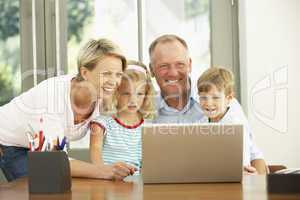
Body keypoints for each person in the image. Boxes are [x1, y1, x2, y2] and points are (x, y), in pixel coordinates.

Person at [0, 38, 127, 181]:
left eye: (118, 74)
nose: (114, 81)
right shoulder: (52, 96)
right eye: (106, 73)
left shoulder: (102, 98)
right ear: (84, 72)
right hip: (11, 143)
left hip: (41, 146)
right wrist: (104, 171)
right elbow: (54, 161)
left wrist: (103, 168)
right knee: (40, 190)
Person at [89, 60, 155, 181]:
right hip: (106, 181)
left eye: (139, 94)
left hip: (135, 185)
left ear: (146, 95)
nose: (133, 100)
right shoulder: (102, 123)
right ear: (115, 93)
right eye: (126, 93)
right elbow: (95, 150)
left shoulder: (147, 127)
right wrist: (103, 172)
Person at [197, 66, 267, 174]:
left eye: (215, 97)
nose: (208, 103)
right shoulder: (201, 122)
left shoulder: (236, 124)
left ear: (229, 98)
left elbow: (243, 163)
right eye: (203, 97)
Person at [149, 34, 203, 123]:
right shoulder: (142, 111)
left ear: (189, 65)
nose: (173, 73)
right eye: (164, 66)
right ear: (151, 69)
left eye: (180, 64)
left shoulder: (221, 102)